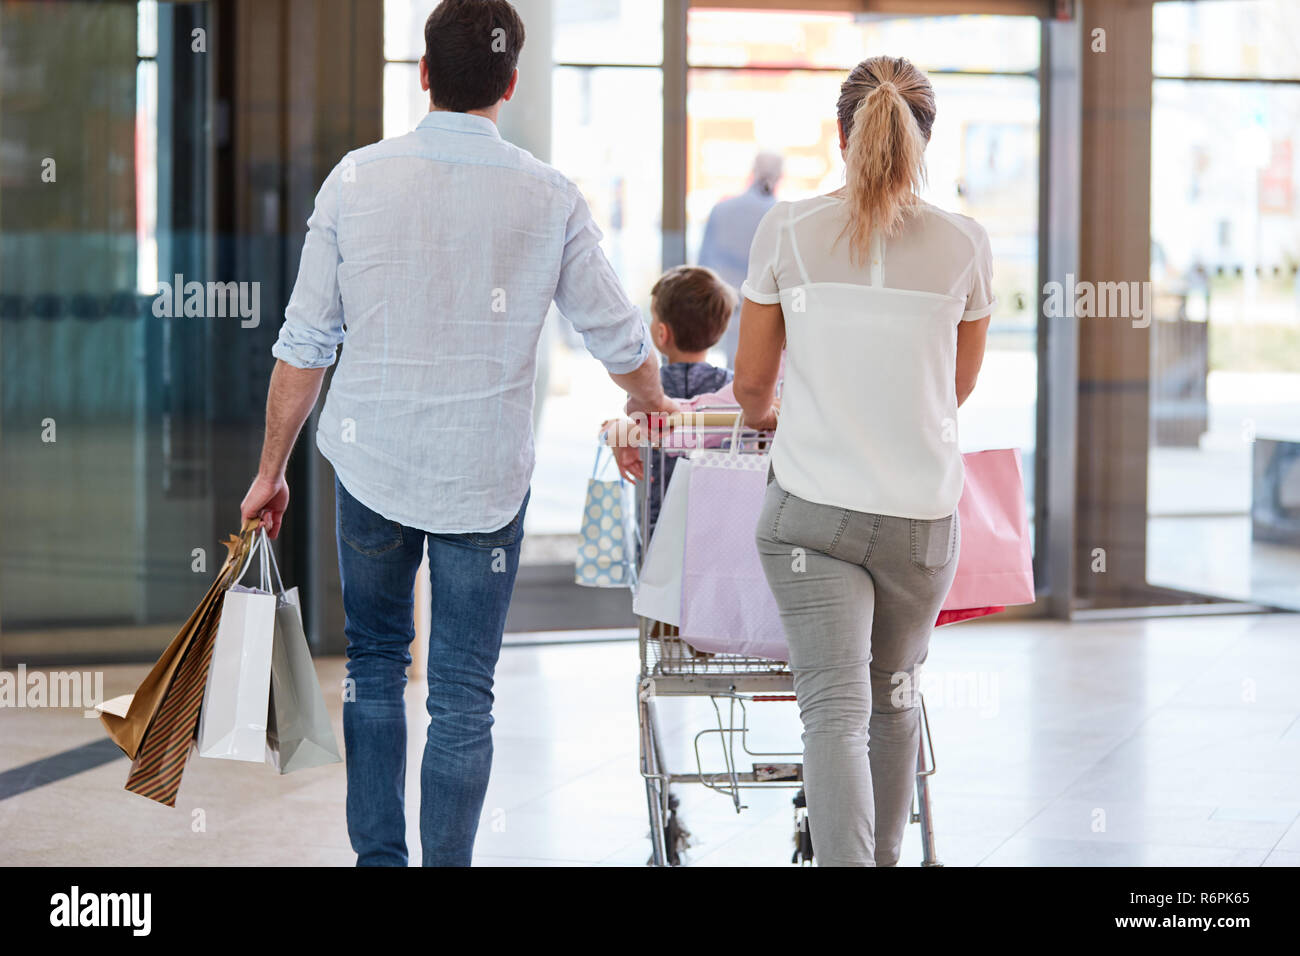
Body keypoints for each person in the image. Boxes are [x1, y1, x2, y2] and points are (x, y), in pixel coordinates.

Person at [239, 0, 675, 867]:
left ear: (425, 74)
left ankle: (379, 862)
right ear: (511, 84)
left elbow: (303, 346)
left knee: (371, 665)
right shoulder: (548, 196)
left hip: (370, 466)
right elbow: (619, 336)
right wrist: (652, 403)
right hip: (486, 479)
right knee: (464, 698)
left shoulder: (355, 180)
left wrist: (270, 472)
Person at [732, 56, 994, 866]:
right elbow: (954, 386)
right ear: (926, 142)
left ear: (841, 133)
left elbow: (748, 383)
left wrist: (775, 415)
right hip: (920, 523)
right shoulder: (965, 244)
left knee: (833, 712)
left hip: (813, 514)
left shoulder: (788, 230)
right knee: (892, 697)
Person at [605, 265, 735, 528]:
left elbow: (632, 431)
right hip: (719, 521)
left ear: (662, 334)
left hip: (659, 519)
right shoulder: (729, 387)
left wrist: (611, 429)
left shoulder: (649, 388)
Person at [698, 151, 783, 369]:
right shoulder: (780, 215)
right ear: (779, 176)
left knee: (731, 376)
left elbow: (703, 263)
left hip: (726, 307)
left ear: (752, 172)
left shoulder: (721, 209)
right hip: (765, 309)